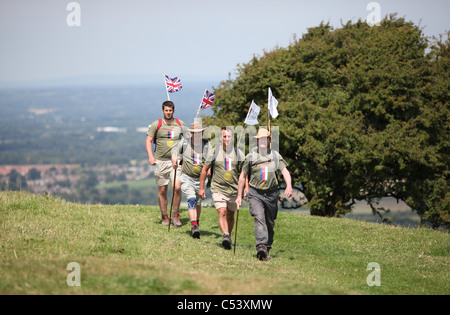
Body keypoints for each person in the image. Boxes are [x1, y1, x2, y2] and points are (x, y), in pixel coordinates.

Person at [235, 128, 293, 260]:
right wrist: (239, 196)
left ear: (269, 141)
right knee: (259, 218)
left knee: (269, 222)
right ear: (257, 140)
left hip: (272, 193)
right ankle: (261, 245)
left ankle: (267, 248)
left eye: (265, 139)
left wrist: (289, 185)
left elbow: (285, 172)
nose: (262, 141)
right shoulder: (250, 157)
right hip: (255, 193)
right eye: (260, 139)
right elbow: (242, 177)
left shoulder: (275, 156)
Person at [199, 127, 247, 249]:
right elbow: (204, 169)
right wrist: (201, 188)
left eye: (229, 136)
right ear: (221, 138)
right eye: (224, 136)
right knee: (222, 212)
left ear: (232, 137)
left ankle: (228, 237)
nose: (227, 139)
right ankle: (225, 235)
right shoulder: (215, 152)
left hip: (233, 190)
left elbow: (245, 172)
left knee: (230, 215)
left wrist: (247, 187)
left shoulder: (238, 153)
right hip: (218, 188)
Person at [145, 101, 186, 227]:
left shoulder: (180, 124)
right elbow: (148, 140)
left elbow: (188, 140)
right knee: (162, 189)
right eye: (166, 110)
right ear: (163, 111)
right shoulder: (156, 124)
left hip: (176, 161)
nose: (168, 112)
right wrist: (151, 157)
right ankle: (164, 216)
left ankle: (175, 215)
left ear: (173, 110)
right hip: (160, 161)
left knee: (177, 187)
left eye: (170, 110)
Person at [172, 121, 210, 239]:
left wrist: (209, 169)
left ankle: (196, 222)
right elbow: (174, 153)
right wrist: (174, 160)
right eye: (195, 133)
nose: (197, 135)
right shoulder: (184, 143)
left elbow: (210, 161)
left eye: (199, 133)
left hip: (201, 179)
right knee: (191, 199)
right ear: (192, 134)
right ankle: (194, 226)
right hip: (187, 177)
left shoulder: (206, 145)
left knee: (198, 202)